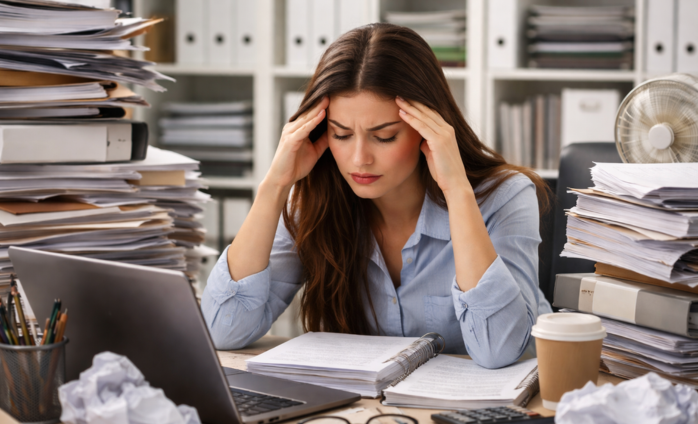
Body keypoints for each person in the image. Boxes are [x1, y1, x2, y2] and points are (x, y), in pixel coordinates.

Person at [201, 23, 552, 369]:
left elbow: (500, 350)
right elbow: (222, 331)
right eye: (340, 135)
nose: (359, 159)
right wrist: (274, 186)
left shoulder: (505, 196)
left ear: (427, 129)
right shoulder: (314, 202)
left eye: (384, 136)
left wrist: (457, 190)